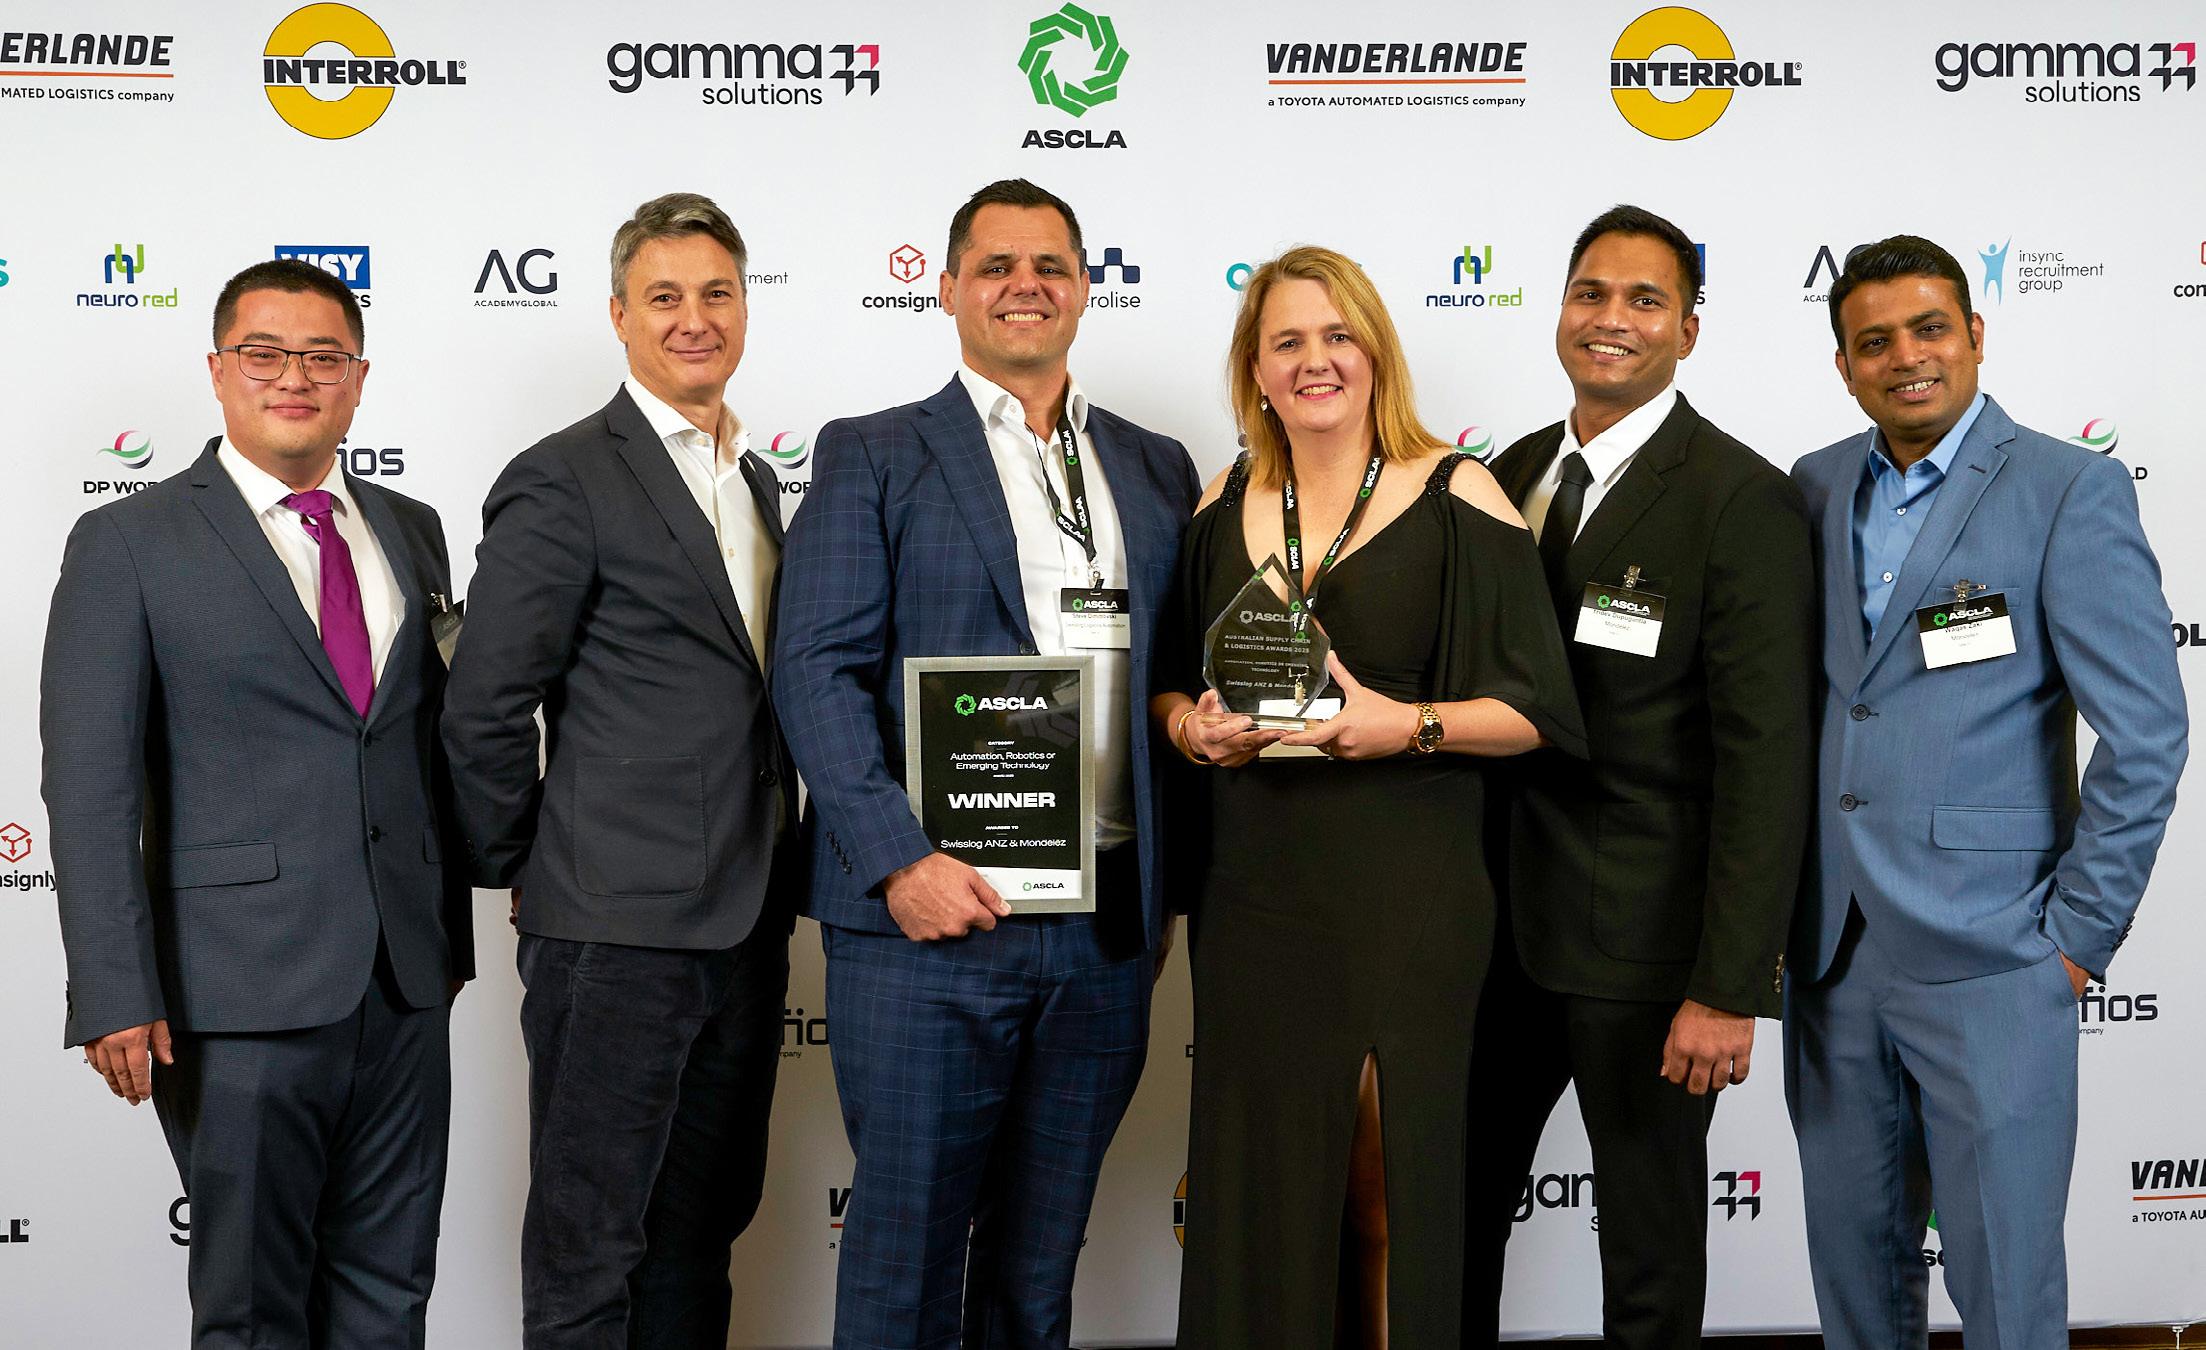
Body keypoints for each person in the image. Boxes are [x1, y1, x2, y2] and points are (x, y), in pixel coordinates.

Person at [771, 178, 1198, 1350]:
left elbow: (1170, 678)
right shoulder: (872, 452)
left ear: (1085, 289)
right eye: (997, 266)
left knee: (1038, 1265)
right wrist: (898, 863)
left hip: (1101, 933)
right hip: (930, 922)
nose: (1025, 286)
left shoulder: (1155, 466)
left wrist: (1162, 890)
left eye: (1051, 266)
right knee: (903, 1259)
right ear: (949, 289)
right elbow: (814, 671)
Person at [41, 258, 474, 1347]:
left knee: (390, 1298)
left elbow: (425, 741)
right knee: (250, 1311)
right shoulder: (128, 542)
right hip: (233, 992)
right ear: (218, 370)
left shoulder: (414, 528)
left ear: (359, 378)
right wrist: (113, 985)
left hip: (405, 984)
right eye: (265, 353)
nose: (295, 377)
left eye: (324, 357)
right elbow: (88, 783)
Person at [1159, 245, 1584, 1348]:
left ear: (1376, 353)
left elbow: (1537, 709)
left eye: (1337, 335)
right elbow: (1168, 685)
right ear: (1256, 370)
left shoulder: (1456, 492)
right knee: (1264, 1197)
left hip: (1407, 892)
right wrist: (1193, 730)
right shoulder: (1219, 499)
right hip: (1255, 896)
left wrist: (1406, 724)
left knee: (1385, 1190)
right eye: (1288, 341)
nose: (1316, 360)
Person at [1786, 235, 2186, 1350]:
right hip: (1833, 951)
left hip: (2000, 954)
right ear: (1844, 367)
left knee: (2006, 1291)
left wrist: (2075, 936)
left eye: (1929, 329)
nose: (1906, 357)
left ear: (1974, 335)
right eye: (1874, 342)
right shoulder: (1811, 486)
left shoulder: (2068, 487)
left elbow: (2147, 732)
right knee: (1856, 1291)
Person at [440, 192, 795, 1349]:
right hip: (613, 930)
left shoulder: (753, 480)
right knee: (589, 1249)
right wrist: (528, 865)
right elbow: (486, 702)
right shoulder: (563, 477)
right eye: (664, 297)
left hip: (748, 920)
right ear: (618, 316)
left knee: (701, 1235)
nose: (695, 319)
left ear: (745, 307)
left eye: (716, 293)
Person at [1464, 205, 1815, 1348]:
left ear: (1688, 331)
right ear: (1560, 309)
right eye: (1590, 292)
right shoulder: (1505, 474)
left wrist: (1729, 984)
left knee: (1649, 1250)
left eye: (1644, 299)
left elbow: (1767, 761)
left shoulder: (1739, 498)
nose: (1609, 318)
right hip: (1487, 938)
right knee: (1450, 1221)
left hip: (1648, 950)